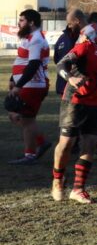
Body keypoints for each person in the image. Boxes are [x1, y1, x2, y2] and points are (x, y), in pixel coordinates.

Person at [51, 21, 97, 204]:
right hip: (75, 101)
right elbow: (62, 64)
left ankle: (78, 188)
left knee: (91, 144)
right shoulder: (85, 46)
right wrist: (70, 78)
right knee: (67, 143)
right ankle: (57, 180)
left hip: (95, 105)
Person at [7, 9, 51, 165]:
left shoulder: (36, 39)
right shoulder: (28, 37)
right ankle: (41, 142)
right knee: (17, 116)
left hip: (33, 85)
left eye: (22, 20)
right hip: (28, 84)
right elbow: (22, 60)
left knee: (26, 120)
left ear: (32, 22)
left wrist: (19, 85)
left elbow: (33, 64)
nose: (19, 23)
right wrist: (13, 78)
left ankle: (30, 154)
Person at [53, 9, 85, 97]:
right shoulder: (62, 38)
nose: (69, 26)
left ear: (77, 21)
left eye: (70, 23)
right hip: (63, 83)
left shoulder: (87, 38)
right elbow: (56, 60)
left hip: (80, 85)